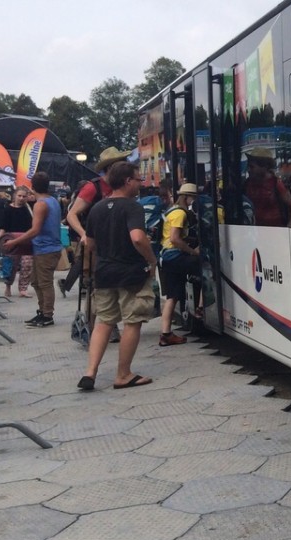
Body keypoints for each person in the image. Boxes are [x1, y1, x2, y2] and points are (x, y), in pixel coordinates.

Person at [77, 161, 156, 391]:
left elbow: (90, 243)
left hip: (104, 273)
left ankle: (90, 372)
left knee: (104, 321)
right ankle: (123, 374)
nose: (140, 183)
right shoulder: (132, 207)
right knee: (133, 321)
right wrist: (151, 259)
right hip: (130, 273)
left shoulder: (97, 208)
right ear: (128, 181)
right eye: (138, 179)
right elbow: (138, 237)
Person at [60, 147, 131, 296]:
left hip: (118, 245)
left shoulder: (124, 187)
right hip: (97, 245)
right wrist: (83, 234)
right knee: (96, 287)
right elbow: (71, 214)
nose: (127, 167)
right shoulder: (93, 187)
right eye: (122, 164)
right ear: (112, 167)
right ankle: (92, 318)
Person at [4, 172, 63, 327]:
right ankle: (43, 311)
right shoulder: (53, 201)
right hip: (46, 247)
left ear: (32, 186)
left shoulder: (40, 204)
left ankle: (47, 315)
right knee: (36, 282)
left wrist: (14, 241)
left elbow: (35, 230)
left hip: (46, 248)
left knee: (44, 283)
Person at [157, 182, 200, 346]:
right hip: (175, 256)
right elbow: (175, 238)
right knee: (205, 268)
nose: (193, 201)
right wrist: (192, 251)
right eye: (192, 198)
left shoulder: (171, 210)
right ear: (186, 197)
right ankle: (201, 307)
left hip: (166, 257)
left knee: (172, 296)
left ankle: (166, 333)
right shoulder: (180, 214)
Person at [0, 186, 34, 298]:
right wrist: (1, 243)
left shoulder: (29, 209)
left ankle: (23, 288)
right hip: (11, 240)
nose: (21, 198)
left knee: (27, 264)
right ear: (14, 196)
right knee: (11, 265)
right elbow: (2, 227)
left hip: (26, 240)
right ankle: (8, 286)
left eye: (24, 196)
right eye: (19, 196)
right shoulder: (7, 209)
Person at [244, 148, 291, 227]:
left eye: (252, 167)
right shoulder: (247, 184)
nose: (248, 170)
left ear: (264, 167)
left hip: (275, 231)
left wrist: (290, 225)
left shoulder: (276, 183)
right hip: (254, 231)